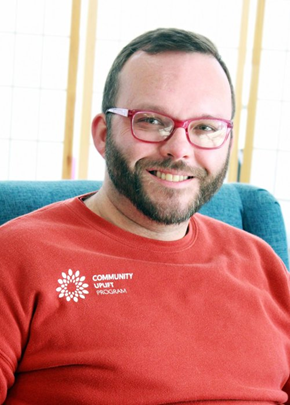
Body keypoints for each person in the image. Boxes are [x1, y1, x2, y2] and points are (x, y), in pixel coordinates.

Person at [0, 28, 289, 404]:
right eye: (152, 121)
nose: (179, 149)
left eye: (205, 127)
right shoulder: (16, 256)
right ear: (104, 135)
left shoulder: (262, 264)